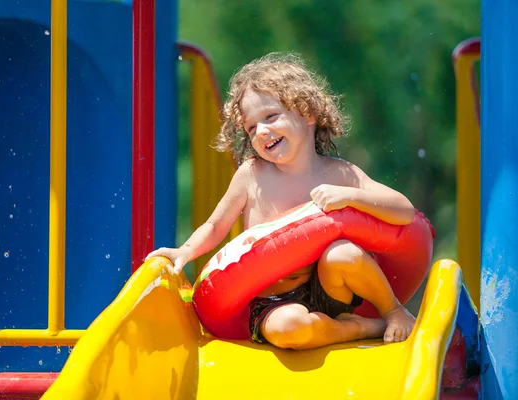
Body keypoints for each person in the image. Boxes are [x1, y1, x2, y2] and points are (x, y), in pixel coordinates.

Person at [146, 52, 416, 350]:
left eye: (271, 116)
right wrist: (185, 251)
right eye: (251, 128)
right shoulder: (252, 176)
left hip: (328, 289)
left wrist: (352, 196)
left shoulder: (339, 173)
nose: (261, 131)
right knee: (289, 329)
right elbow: (215, 225)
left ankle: (392, 311)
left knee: (343, 253)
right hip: (272, 301)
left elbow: (403, 211)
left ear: (308, 114)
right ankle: (362, 328)